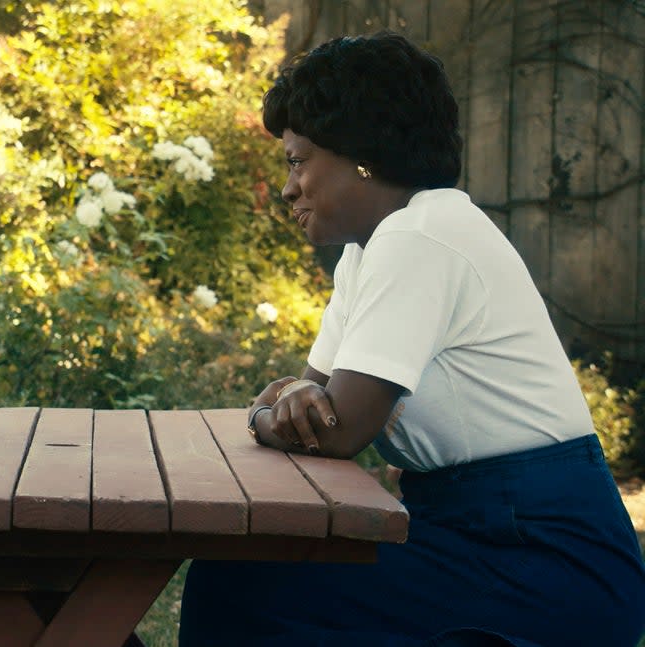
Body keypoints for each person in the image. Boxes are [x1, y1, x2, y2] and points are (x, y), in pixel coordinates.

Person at [178, 32, 645, 646]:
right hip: (474, 532)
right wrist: (282, 407)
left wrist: (264, 414)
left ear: (361, 155)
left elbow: (332, 428)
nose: (288, 187)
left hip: (545, 558)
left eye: (298, 160)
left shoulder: (421, 235)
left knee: (246, 584)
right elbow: (309, 400)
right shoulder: (369, 251)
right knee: (254, 578)